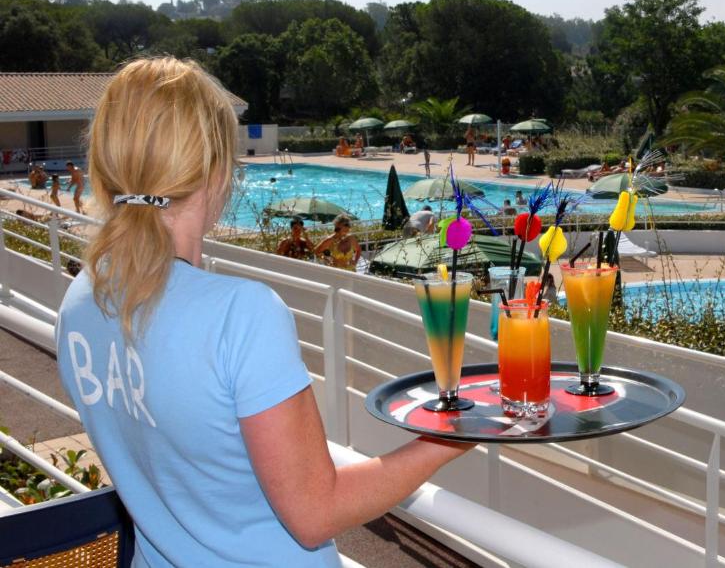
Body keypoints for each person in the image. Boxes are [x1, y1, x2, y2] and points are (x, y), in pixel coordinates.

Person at [55, 57, 470, 567]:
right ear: (216, 171)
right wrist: (452, 436)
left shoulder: (81, 301)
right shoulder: (240, 315)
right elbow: (316, 512)